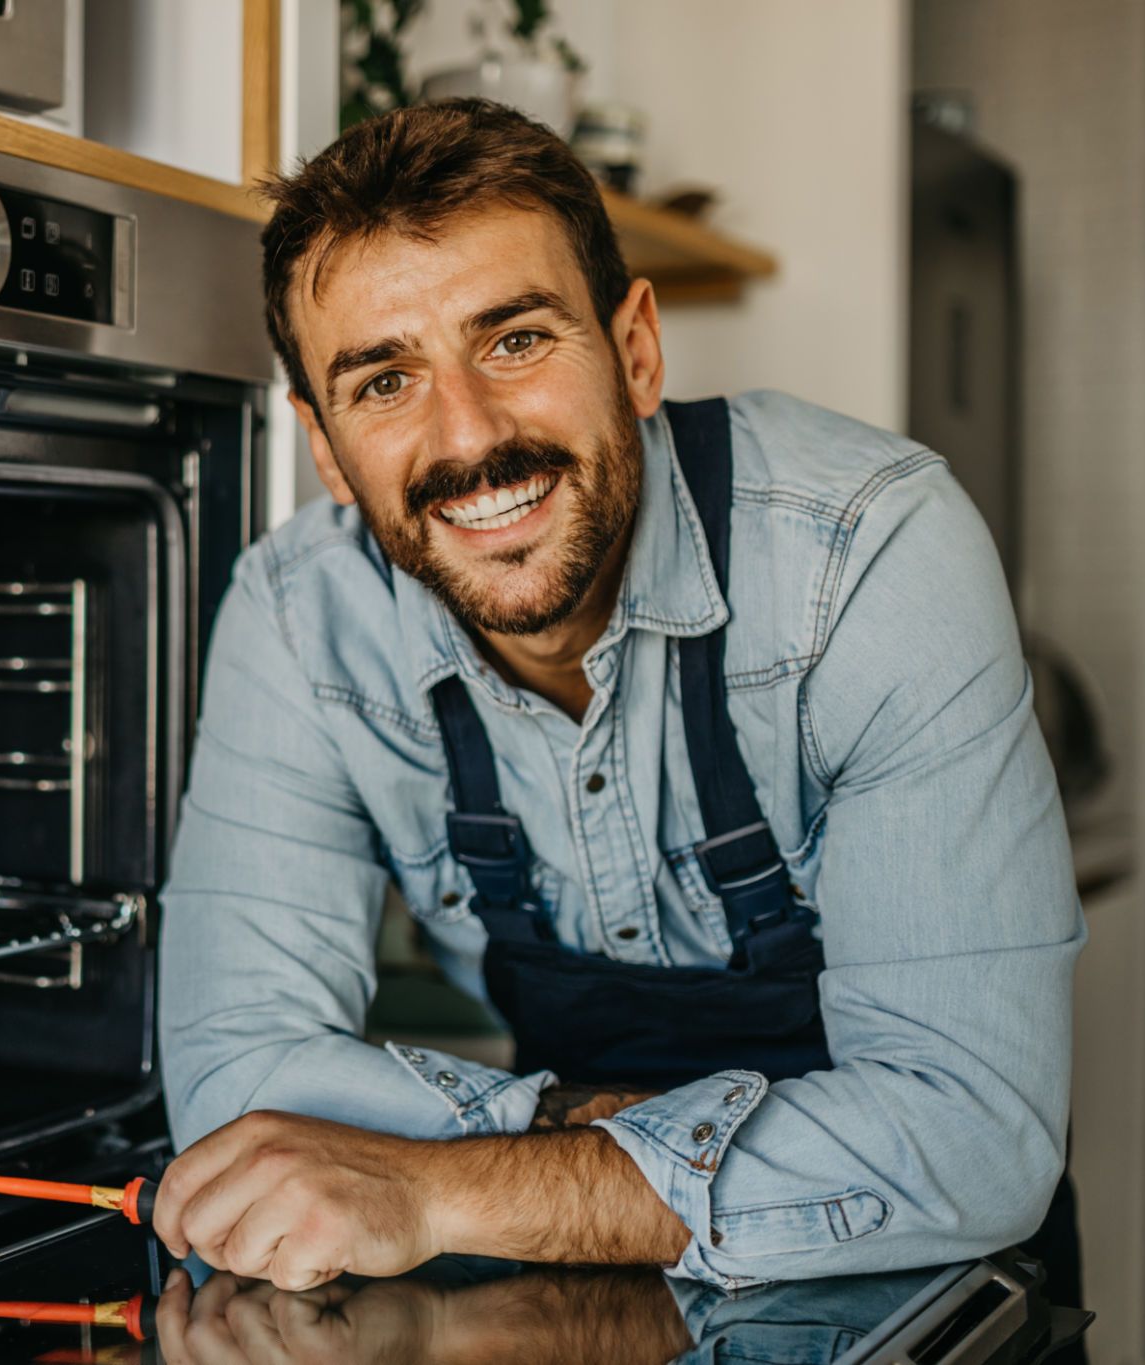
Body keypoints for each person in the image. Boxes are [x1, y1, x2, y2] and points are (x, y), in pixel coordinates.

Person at [151, 98, 1084, 1310]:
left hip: (920, 1289)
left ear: (635, 348)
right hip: (581, 1295)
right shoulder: (293, 619)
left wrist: (439, 1188)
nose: (469, 438)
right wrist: (558, 1129)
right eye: (383, 381)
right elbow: (233, 1079)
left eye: (515, 341)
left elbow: (972, 1140)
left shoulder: (867, 552)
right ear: (326, 449)